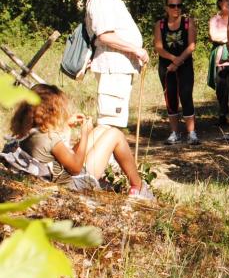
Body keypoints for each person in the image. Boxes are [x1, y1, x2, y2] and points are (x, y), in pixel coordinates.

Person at [11, 84, 154, 199]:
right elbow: (76, 168)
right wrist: (84, 134)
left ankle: (138, 186)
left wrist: (66, 125)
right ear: (51, 112)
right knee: (115, 134)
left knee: (102, 129)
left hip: (59, 174)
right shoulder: (50, 138)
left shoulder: (26, 132)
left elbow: (58, 155)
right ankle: (139, 188)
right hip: (75, 185)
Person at [85, 0, 149, 128]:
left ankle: (110, 155)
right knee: (109, 123)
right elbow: (105, 35)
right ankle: (105, 156)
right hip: (111, 67)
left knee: (115, 121)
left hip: (118, 67)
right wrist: (136, 49)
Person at [154, 0, 198, 145]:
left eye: (179, 5)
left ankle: (191, 133)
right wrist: (173, 59)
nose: (176, 8)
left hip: (184, 65)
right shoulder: (160, 24)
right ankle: (174, 133)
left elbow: (192, 45)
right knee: (170, 97)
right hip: (166, 66)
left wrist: (179, 61)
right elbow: (158, 47)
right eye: (172, 5)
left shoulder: (188, 23)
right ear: (166, 7)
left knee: (186, 95)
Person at [208, 0, 229, 126]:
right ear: (220, 3)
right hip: (219, 58)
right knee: (221, 87)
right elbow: (213, 37)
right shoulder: (214, 20)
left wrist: (226, 39)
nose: (228, 4)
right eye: (226, 1)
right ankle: (223, 112)